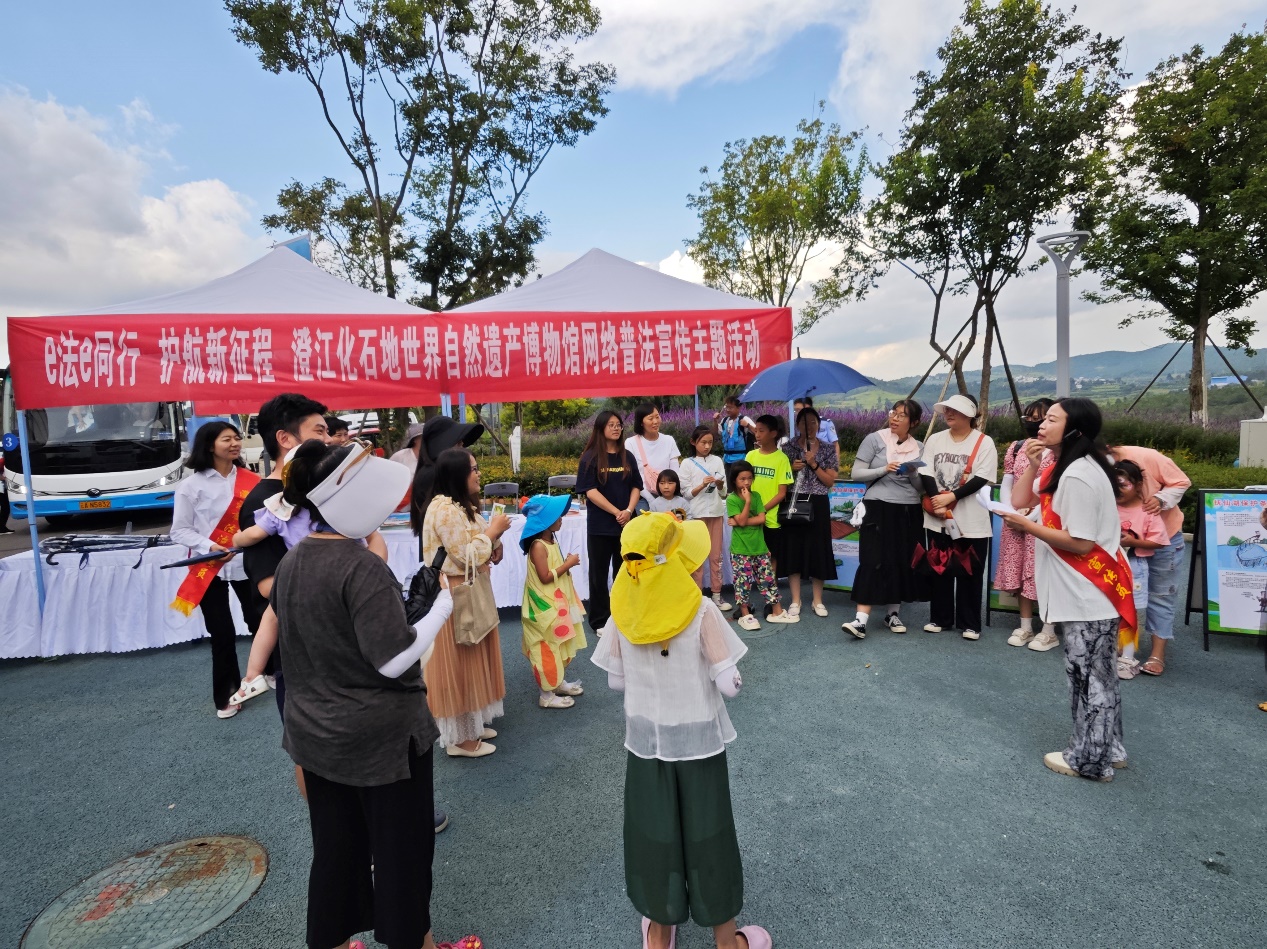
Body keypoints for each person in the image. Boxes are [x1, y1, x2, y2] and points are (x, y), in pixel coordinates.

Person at [269, 438, 475, 949]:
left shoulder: (294, 560)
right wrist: (439, 610)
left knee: (336, 853)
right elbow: (393, 659)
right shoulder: (360, 566)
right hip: (383, 742)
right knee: (403, 853)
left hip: (317, 735)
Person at [590, 513, 772, 949]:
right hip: (697, 743)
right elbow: (729, 685)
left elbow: (616, 681)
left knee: (652, 833)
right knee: (709, 833)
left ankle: (659, 933)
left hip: (646, 743)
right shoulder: (700, 608)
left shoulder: (623, 609)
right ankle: (726, 941)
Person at [1004, 398, 1132, 782]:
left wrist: (1028, 527)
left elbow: (1080, 542)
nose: (1041, 425)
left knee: (1087, 679)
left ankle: (1089, 760)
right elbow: (1020, 500)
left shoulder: (1077, 474)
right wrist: (1031, 463)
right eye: (1042, 419)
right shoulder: (1067, 464)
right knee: (1100, 676)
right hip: (1088, 592)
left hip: (1085, 592)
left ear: (1074, 429)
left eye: (1051, 419)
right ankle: (1110, 748)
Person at [226, 443, 390, 707]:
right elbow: (377, 553)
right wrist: (374, 545)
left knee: (271, 618)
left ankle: (253, 675)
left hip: (302, 577)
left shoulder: (280, 509)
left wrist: (236, 539)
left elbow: (252, 535)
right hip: (346, 575)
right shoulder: (339, 509)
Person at [420, 447, 511, 757]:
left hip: (468, 589)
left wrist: (495, 542)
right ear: (457, 474)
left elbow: (476, 545)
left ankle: (470, 725)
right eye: (473, 469)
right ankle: (459, 739)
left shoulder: (461, 505)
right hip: (455, 593)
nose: (478, 473)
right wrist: (492, 532)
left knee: (472, 659)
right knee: (458, 664)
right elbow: (464, 556)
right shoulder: (444, 509)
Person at [169, 420, 261, 719]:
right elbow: (179, 531)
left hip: (247, 562)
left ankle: (271, 673)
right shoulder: (190, 486)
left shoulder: (252, 480)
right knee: (222, 634)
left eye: (237, 438)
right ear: (210, 445)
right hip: (210, 566)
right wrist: (209, 546)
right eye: (226, 439)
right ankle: (226, 695)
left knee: (261, 622)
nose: (235, 444)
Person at [1104, 443, 1192, 677]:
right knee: (1118, 598)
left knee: (1161, 595)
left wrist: (1160, 499)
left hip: (1163, 535)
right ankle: (1121, 647)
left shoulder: (1147, 457)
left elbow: (1182, 481)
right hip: (1123, 551)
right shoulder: (1091, 465)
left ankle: (1157, 653)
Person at [844, 400, 928, 638]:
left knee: (901, 560)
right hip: (877, 507)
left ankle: (892, 614)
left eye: (902, 415)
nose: (895, 418)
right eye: (894, 413)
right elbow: (856, 474)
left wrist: (913, 473)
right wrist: (884, 469)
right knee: (872, 559)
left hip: (908, 509)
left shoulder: (919, 447)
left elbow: (921, 488)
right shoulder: (874, 439)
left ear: (914, 422)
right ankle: (860, 620)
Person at [918, 394, 998, 640]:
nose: (949, 414)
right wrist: (937, 501)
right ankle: (940, 618)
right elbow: (926, 471)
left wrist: (951, 497)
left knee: (970, 570)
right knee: (939, 567)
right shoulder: (935, 439)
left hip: (971, 519)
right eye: (947, 410)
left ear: (970, 415)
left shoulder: (984, 442)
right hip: (938, 518)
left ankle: (970, 623)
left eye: (955, 410)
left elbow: (982, 477)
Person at [995, 399, 1058, 650]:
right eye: (1029, 418)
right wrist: (1009, 510)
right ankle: (1025, 626)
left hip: (1044, 522)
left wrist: (1030, 516)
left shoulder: (1059, 452)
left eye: (1040, 419)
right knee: (1021, 571)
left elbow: (1054, 491)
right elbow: (1007, 483)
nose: (1034, 424)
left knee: (1044, 573)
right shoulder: (1017, 447)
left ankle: (1049, 629)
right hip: (1017, 519)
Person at [519, 494, 587, 710]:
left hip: (555, 604)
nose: (561, 519)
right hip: (545, 607)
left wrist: (565, 564)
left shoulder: (550, 541)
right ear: (546, 520)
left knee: (558, 643)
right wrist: (568, 564)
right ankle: (546, 694)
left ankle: (556, 683)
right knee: (546, 648)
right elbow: (545, 577)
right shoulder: (538, 546)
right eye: (557, 516)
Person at [576, 411, 642, 633]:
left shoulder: (627, 456)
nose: (616, 428)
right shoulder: (590, 457)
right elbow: (590, 491)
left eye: (619, 424)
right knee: (599, 574)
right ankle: (600, 621)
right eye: (611, 425)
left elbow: (636, 486)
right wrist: (617, 512)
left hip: (626, 525)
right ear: (601, 428)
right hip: (600, 527)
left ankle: (624, 615)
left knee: (626, 573)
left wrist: (629, 511)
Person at [1113, 460, 1170, 680]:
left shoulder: (1147, 511)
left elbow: (1159, 541)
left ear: (1138, 485)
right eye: (1114, 485)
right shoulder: (1108, 506)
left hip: (1134, 567)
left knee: (1129, 612)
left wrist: (1133, 542)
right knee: (1107, 608)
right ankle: (1111, 650)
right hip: (1108, 565)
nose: (1118, 490)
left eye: (1123, 485)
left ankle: (1128, 656)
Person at [780, 406, 838, 618]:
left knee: (819, 549)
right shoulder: (787, 448)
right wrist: (791, 468)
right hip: (794, 500)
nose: (810, 426)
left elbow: (830, 481)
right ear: (798, 426)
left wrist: (813, 464)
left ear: (819, 425)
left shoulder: (827, 449)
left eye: (814, 422)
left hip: (818, 502)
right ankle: (795, 600)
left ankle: (817, 600)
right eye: (805, 422)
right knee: (793, 549)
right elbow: (780, 478)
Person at [726, 460, 793, 630]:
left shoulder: (756, 496)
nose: (747, 482)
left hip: (760, 548)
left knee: (768, 579)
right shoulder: (732, 499)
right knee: (742, 583)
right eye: (742, 479)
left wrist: (739, 521)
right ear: (734, 480)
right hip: (741, 549)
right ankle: (745, 615)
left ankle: (777, 612)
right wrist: (747, 503)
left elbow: (761, 519)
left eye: (749, 478)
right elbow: (742, 521)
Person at [408, 415, 487, 556]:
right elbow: (458, 546)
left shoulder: (436, 472)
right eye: (458, 445)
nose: (463, 451)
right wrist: (490, 537)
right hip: (447, 559)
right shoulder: (431, 476)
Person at [679, 425, 730, 610]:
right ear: (693, 442)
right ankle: (697, 596)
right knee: (697, 558)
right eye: (703, 442)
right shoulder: (687, 463)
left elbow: (723, 492)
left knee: (716, 557)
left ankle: (717, 594)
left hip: (716, 513)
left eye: (710, 442)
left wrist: (720, 484)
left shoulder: (717, 461)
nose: (707, 446)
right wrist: (702, 485)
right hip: (696, 516)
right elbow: (686, 494)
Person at [745, 414, 794, 587]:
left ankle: (771, 593)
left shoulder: (782, 459)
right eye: (756, 430)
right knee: (750, 557)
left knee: (771, 557)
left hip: (771, 518)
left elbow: (782, 493)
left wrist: (763, 509)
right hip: (751, 515)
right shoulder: (751, 456)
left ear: (773, 433)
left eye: (761, 431)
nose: (757, 434)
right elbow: (743, 483)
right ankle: (749, 595)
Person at [626, 403, 681, 497]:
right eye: (650, 418)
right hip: (642, 495)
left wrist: (668, 496)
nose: (655, 421)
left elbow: (675, 473)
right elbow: (632, 477)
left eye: (657, 417)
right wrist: (651, 500)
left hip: (668, 494)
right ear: (641, 422)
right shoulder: (630, 443)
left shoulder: (669, 440)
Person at [793, 396, 839, 466]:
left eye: (799, 410)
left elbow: (835, 444)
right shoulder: (799, 426)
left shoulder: (826, 422)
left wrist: (836, 463)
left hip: (824, 463)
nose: (797, 413)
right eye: (795, 410)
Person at [713, 395, 756, 466]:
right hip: (726, 458)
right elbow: (715, 434)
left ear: (738, 408)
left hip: (741, 459)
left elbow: (757, 433)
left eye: (730, 407)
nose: (728, 410)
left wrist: (748, 425)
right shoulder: (724, 420)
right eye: (727, 407)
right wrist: (715, 421)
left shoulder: (744, 419)